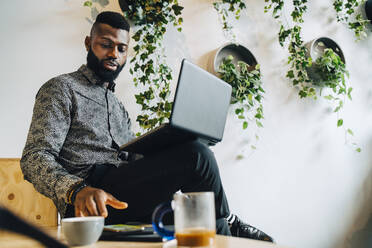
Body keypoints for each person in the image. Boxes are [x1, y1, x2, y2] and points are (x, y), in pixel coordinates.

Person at [20, 11, 273, 242]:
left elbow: (132, 160)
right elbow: (34, 157)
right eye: (105, 45)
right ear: (89, 43)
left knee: (196, 212)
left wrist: (167, 143)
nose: (113, 54)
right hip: (93, 200)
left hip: (128, 197)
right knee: (198, 155)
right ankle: (230, 226)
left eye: (121, 48)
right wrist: (77, 190)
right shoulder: (61, 89)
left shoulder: (118, 108)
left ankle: (225, 225)